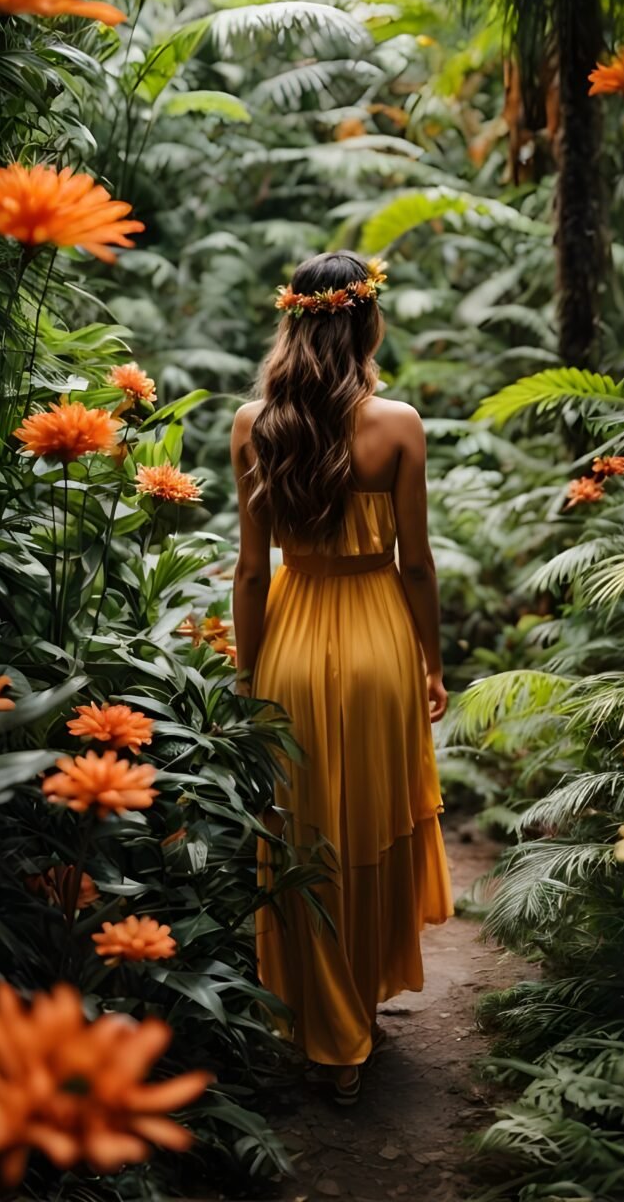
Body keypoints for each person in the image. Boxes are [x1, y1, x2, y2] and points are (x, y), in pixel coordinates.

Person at [231, 250, 453, 1104]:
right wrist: (432, 661)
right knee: (369, 819)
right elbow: (419, 566)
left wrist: (249, 680)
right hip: (378, 643)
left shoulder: (257, 424)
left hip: (290, 636)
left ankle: (323, 1022)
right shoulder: (398, 423)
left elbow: (251, 573)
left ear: (294, 319)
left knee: (302, 827)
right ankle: (351, 1013)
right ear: (365, 321)